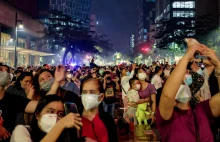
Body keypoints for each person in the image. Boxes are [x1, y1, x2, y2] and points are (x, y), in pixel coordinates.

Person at [156, 38, 220, 142]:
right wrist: (186, 57)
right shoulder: (167, 114)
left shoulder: (202, 109)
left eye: (186, 79)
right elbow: (167, 95)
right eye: (180, 83)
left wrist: (217, 64)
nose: (185, 80)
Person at [10, 95, 82, 142]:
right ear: (37, 115)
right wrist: (60, 124)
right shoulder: (22, 130)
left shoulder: (63, 135)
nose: (55, 116)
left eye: (60, 114)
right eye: (50, 111)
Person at [0, 64, 38, 142]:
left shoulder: (12, 99)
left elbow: (42, 105)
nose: (5, 73)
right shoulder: (13, 89)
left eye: (7, 71)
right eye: (1, 70)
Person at [80, 77, 118, 142]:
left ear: (101, 97)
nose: (87, 96)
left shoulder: (108, 119)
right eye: (84, 92)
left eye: (92, 92)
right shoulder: (75, 119)